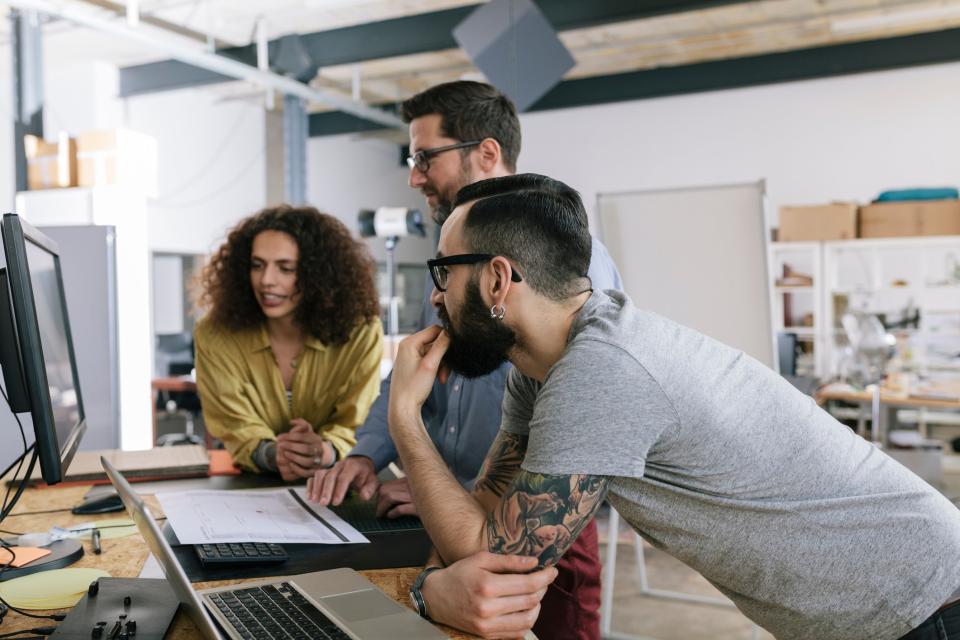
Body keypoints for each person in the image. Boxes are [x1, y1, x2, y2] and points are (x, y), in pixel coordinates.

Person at [384, 173, 960, 640]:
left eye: (444, 271)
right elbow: (485, 519)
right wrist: (437, 584)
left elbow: (495, 555)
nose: (435, 294)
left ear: (496, 280)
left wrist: (405, 419)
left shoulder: (602, 369)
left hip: (923, 602)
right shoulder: (542, 370)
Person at [308, 81, 620, 640]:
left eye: (424, 156)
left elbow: (576, 418)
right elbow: (418, 368)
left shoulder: (567, 259)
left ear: (487, 153)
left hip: (539, 527)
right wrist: (370, 456)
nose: (414, 175)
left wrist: (445, 490)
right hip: (459, 514)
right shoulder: (455, 251)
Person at [194, 205, 383, 481]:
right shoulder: (215, 334)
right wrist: (274, 454)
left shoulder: (361, 332)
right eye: (257, 266)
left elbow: (357, 421)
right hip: (250, 486)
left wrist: (324, 451)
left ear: (318, 275)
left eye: (286, 268)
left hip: (338, 480)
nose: (266, 281)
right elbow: (235, 425)